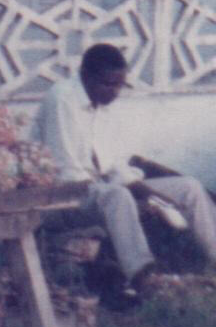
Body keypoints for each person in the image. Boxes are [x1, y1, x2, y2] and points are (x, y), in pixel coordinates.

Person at [33, 44, 216, 300]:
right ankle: (143, 276)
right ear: (86, 76)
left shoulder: (102, 103)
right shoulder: (62, 98)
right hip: (61, 197)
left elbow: (113, 164)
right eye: (109, 85)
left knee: (189, 187)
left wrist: (148, 193)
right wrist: (131, 194)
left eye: (120, 86)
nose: (115, 93)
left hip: (99, 190)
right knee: (117, 196)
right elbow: (69, 173)